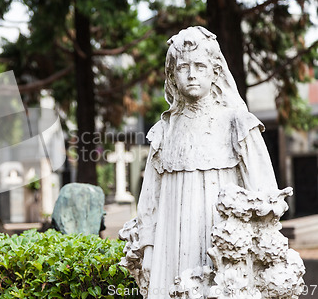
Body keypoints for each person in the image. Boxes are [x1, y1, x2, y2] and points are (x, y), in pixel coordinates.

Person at [119, 26, 280, 298]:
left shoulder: (237, 123)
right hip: (170, 242)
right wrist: (148, 248)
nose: (192, 74)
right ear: (172, 75)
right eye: (183, 67)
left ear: (215, 72)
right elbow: (149, 197)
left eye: (200, 66)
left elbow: (264, 194)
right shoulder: (164, 131)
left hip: (219, 241)